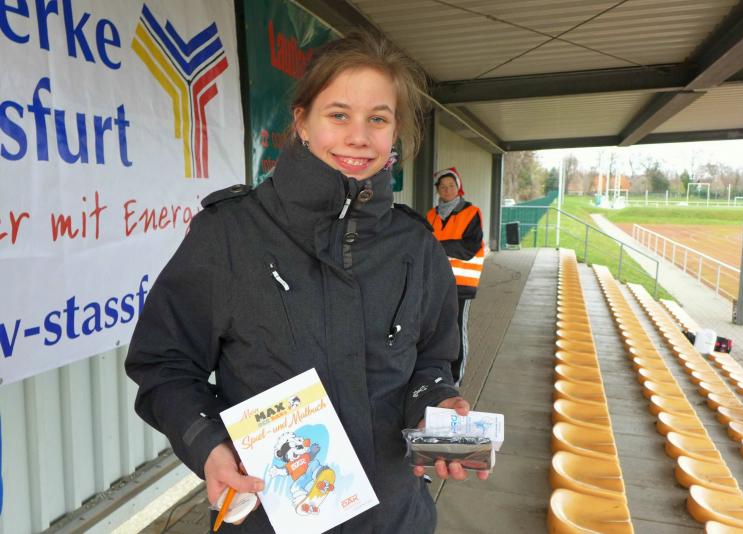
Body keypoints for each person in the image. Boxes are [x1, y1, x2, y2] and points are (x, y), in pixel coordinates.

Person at [125, 31, 488, 534]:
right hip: (268, 517)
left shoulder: (415, 244)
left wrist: (437, 405)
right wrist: (208, 444)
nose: (358, 137)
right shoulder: (229, 233)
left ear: (395, 131)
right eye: (338, 115)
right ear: (301, 122)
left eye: (377, 119)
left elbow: (432, 360)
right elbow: (164, 364)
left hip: (397, 517)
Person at [426, 167, 484, 386]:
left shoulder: (471, 212)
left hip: (461, 285)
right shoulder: (431, 215)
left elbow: (470, 247)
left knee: (457, 330)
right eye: (442, 186)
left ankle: (455, 379)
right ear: (437, 190)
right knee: (435, 330)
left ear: (458, 188)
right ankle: (437, 372)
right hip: (436, 283)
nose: (447, 189)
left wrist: (439, 246)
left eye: (451, 185)